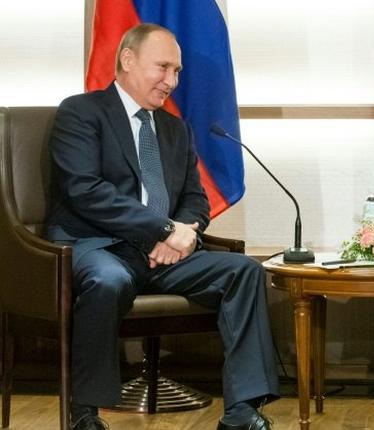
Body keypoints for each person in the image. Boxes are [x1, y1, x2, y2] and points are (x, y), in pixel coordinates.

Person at [47, 24, 278, 430]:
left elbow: (195, 200)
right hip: (97, 246)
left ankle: (242, 410)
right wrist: (163, 229)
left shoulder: (175, 128)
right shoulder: (80, 112)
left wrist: (184, 234)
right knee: (108, 281)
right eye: (163, 67)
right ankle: (85, 413)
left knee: (244, 272)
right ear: (128, 59)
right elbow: (85, 191)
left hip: (163, 254)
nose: (171, 81)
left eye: (177, 72)